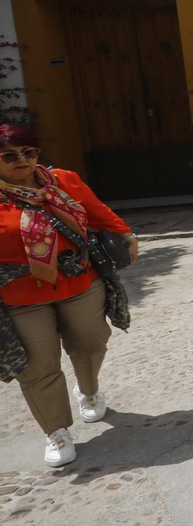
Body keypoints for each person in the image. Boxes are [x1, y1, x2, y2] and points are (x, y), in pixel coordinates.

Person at [0, 124, 136, 468]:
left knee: (91, 342)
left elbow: (96, 211)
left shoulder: (62, 181)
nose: (22, 160)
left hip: (79, 281)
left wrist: (125, 234)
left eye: (29, 153)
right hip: (21, 294)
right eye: (9, 155)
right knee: (37, 367)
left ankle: (88, 391)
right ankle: (56, 431)